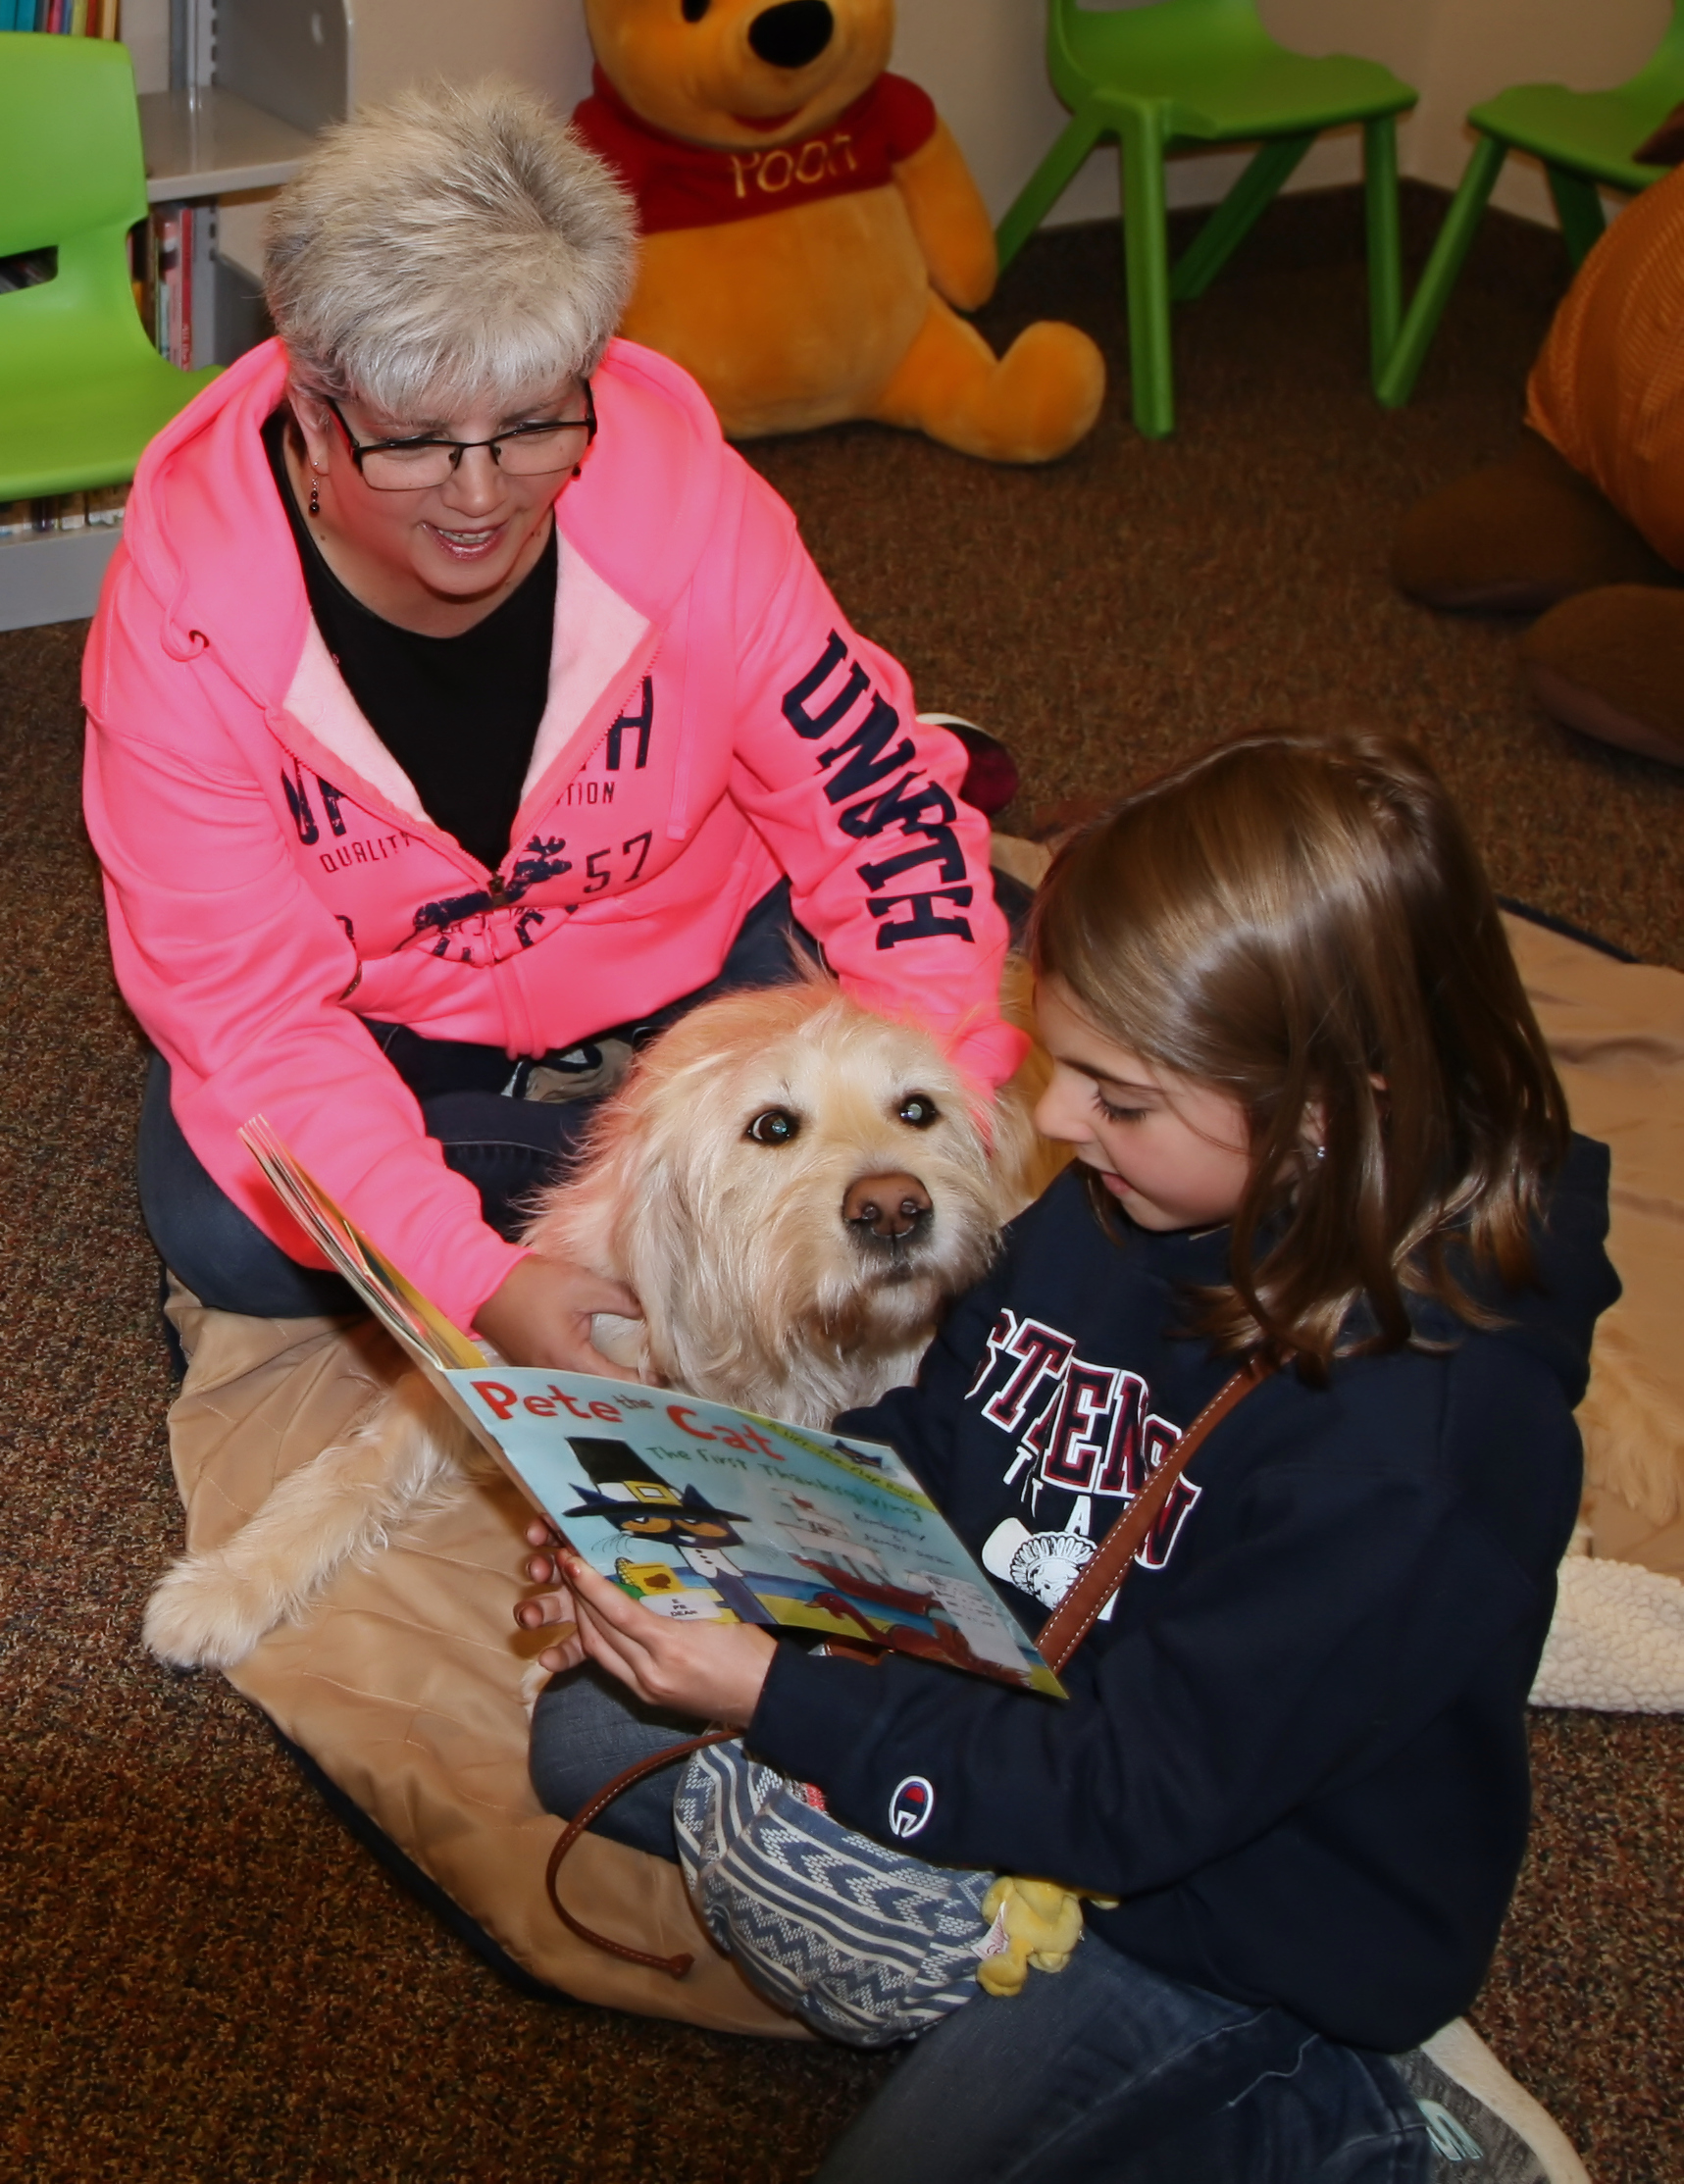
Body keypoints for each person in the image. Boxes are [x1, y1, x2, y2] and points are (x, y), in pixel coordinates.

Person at [521, 733, 1616, 2181]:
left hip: (1212, 1912)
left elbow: (1134, 1796)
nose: (1044, 1122)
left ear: (1326, 1106)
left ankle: (1352, 2114)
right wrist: (685, 1520)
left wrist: (783, 1695)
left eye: (1117, 1095)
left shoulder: (1420, 1456)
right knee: (583, 1732)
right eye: (1057, 1060)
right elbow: (936, 1427)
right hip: (1016, 1690)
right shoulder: (1136, 1196)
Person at [82, 80, 1025, 1374]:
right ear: (313, 416)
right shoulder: (179, 621)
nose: (478, 499)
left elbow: (881, 830)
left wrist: (933, 1113)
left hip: (700, 931)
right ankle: (651, 1162)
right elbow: (252, 1019)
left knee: (975, 972)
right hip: (391, 1002)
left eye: (532, 427)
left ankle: (646, 1153)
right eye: (412, 445)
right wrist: (474, 1281)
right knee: (228, 1231)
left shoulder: (697, 513)